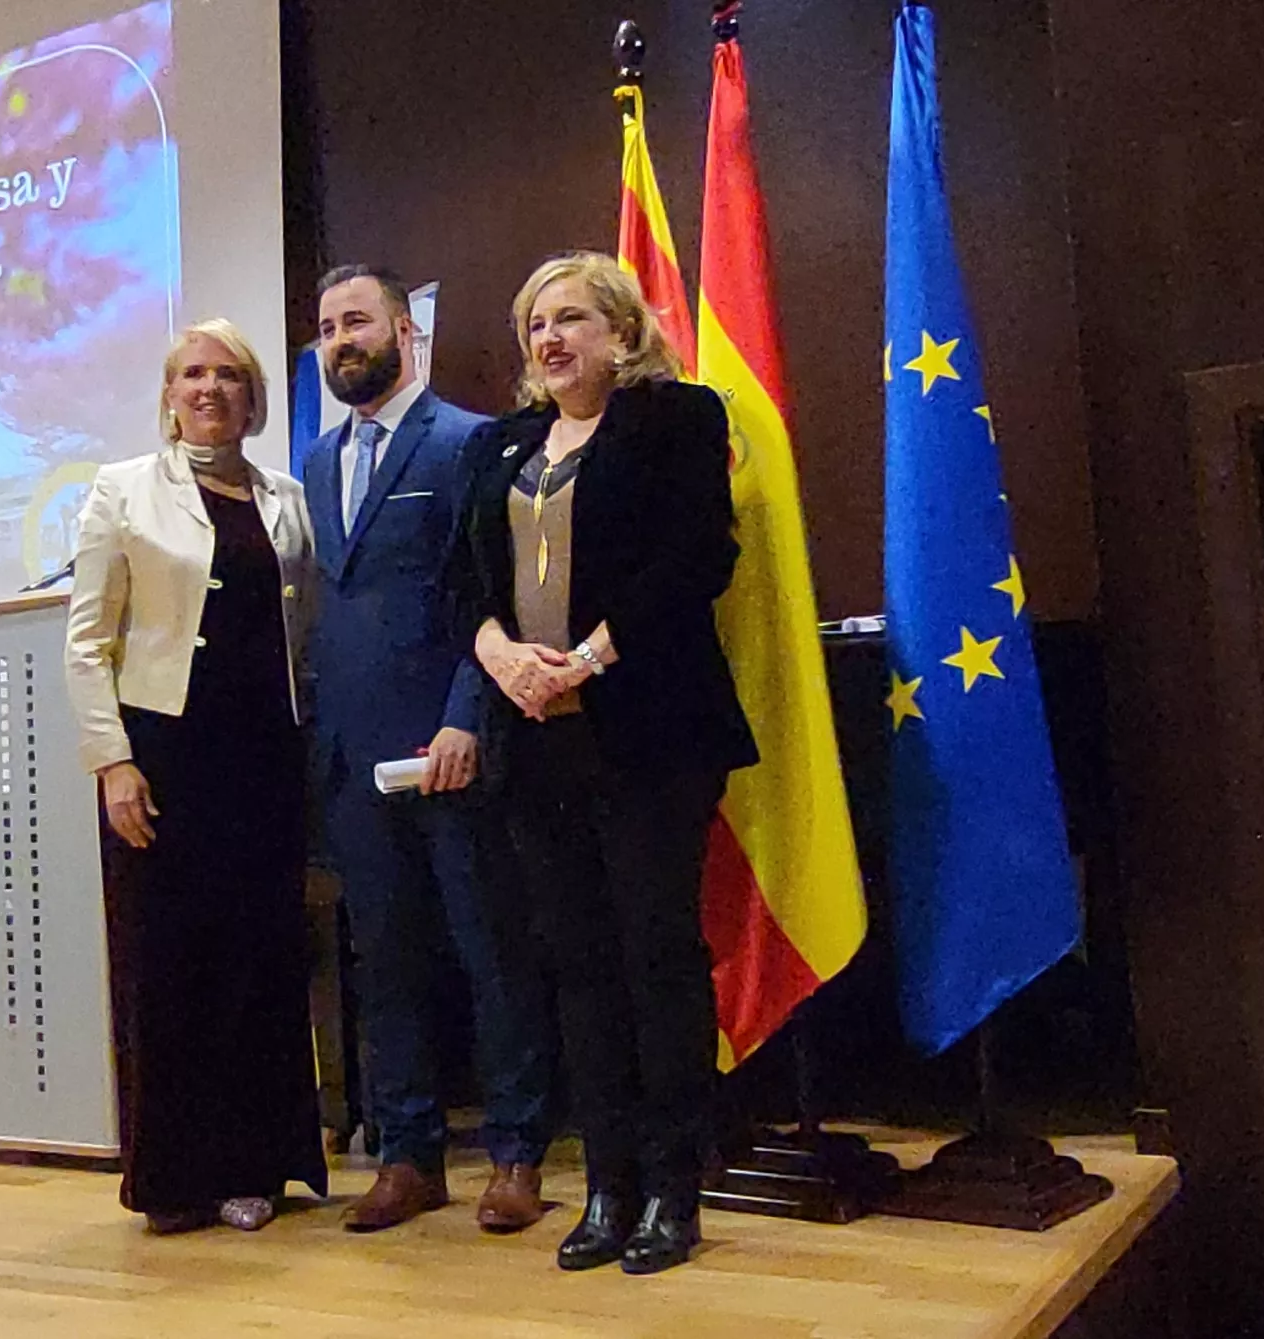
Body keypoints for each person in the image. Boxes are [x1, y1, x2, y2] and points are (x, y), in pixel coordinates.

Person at [456, 253, 759, 1276]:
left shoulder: (676, 418)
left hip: (648, 734)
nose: (549, 339)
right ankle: (607, 1184)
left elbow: (696, 558)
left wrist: (584, 660)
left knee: (653, 957)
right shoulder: (500, 444)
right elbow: (462, 584)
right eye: (535, 324)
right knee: (577, 966)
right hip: (534, 739)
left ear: (621, 332)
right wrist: (503, 658)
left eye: (570, 318)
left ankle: (673, 1189)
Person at [304, 265, 560, 1235]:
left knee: (490, 956)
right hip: (352, 761)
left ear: (404, 331)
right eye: (327, 328)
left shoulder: (467, 441)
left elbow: (490, 595)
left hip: (450, 747)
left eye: (357, 321)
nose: (341, 340)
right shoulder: (315, 461)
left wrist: (465, 716)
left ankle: (516, 1154)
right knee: (386, 966)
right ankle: (406, 1155)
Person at [64, 317, 326, 1234]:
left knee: (259, 960)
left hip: (264, 757)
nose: (209, 388)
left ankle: (256, 1165)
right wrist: (112, 761)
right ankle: (174, 1178)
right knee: (169, 966)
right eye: (191, 374)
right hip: (163, 759)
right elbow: (88, 642)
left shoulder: (287, 498)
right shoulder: (123, 490)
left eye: (228, 375)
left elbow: (304, 626)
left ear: (253, 398)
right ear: (169, 396)